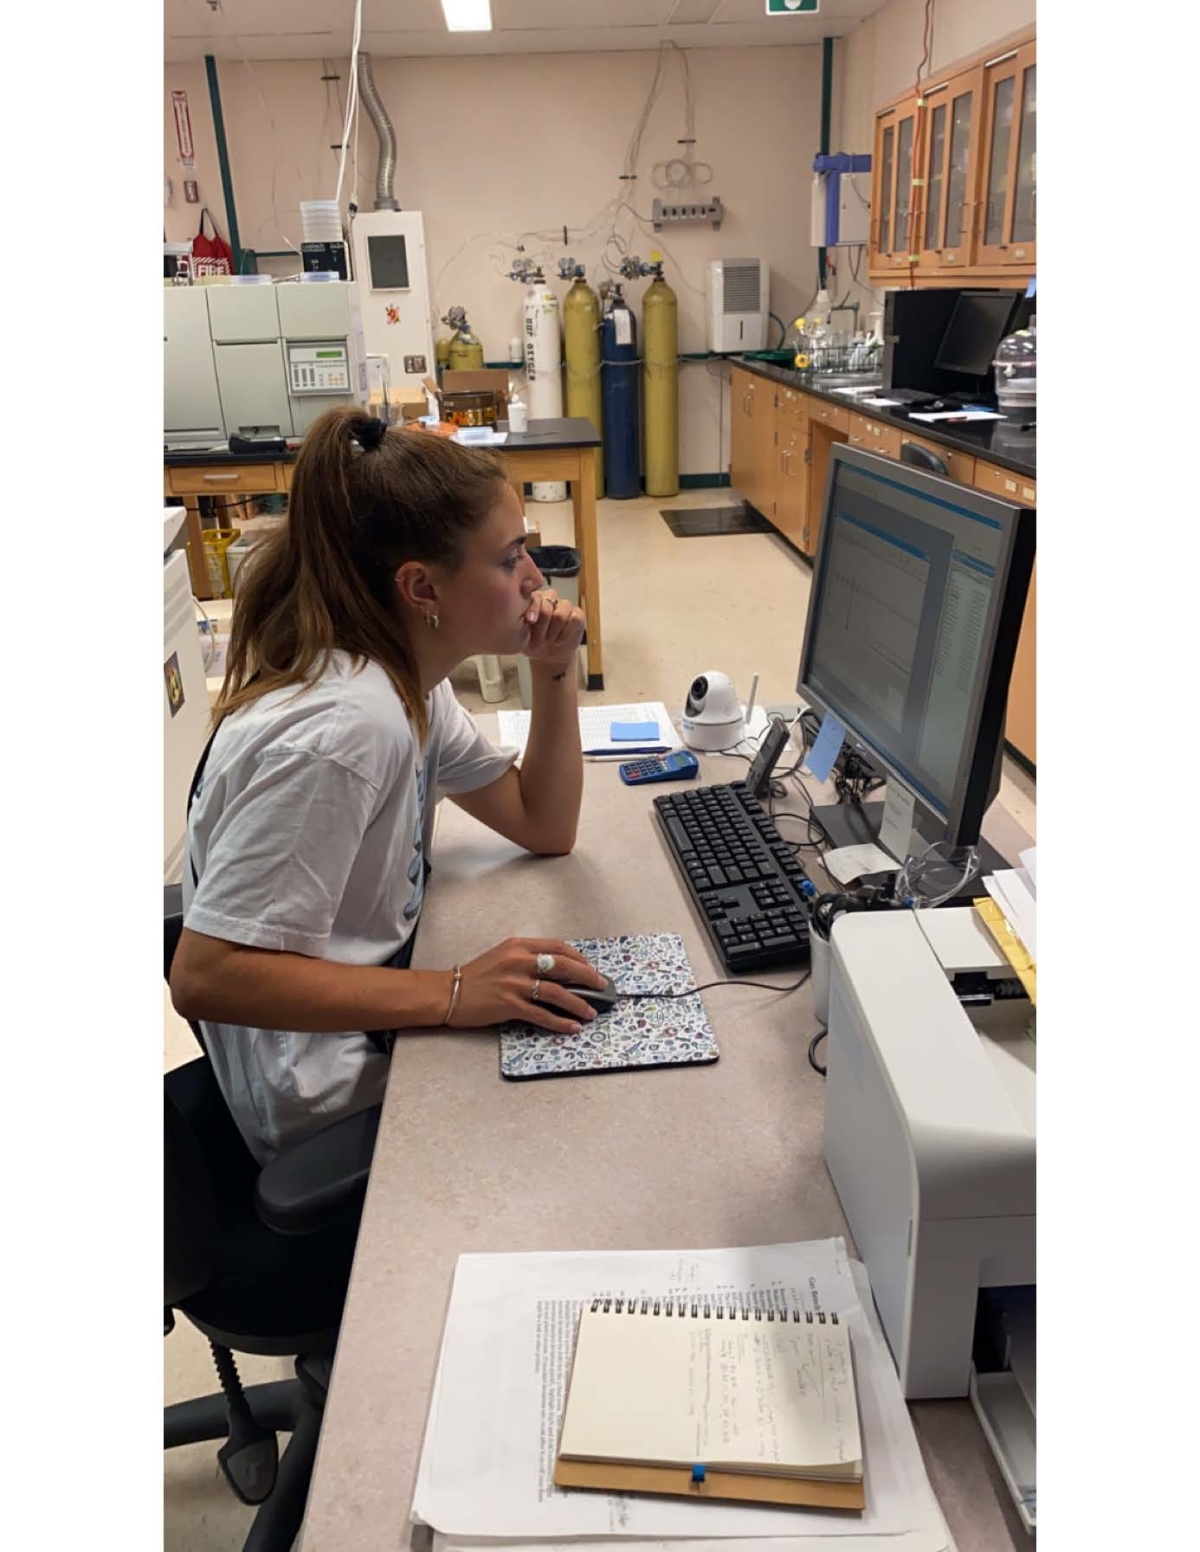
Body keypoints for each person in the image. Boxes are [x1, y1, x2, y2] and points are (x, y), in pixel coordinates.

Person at [170, 406, 608, 1163]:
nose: (536, 580)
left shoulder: (413, 681)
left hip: (370, 1018)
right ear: (420, 588)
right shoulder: (347, 730)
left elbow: (544, 824)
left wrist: (554, 671)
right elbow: (206, 975)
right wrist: (452, 993)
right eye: (509, 561)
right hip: (324, 1097)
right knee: (601, 1122)